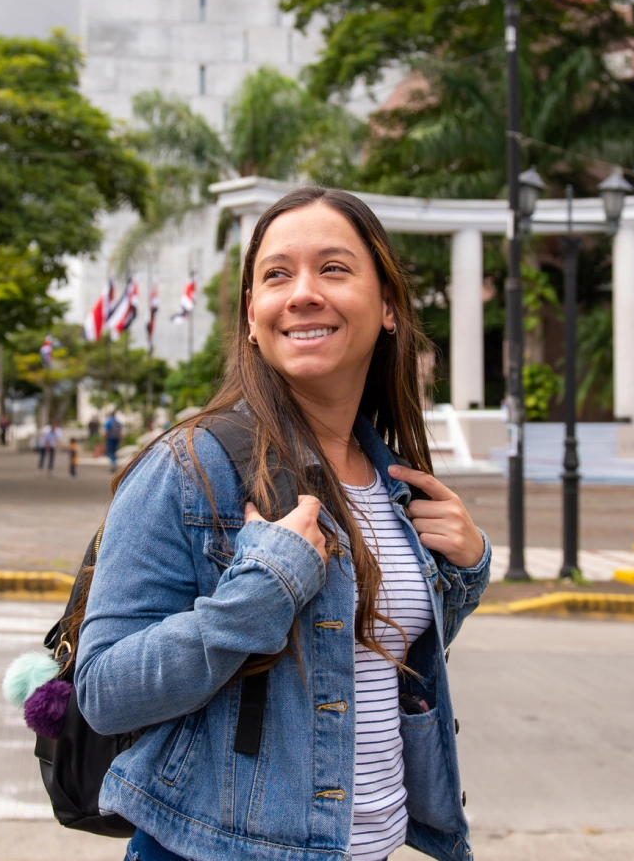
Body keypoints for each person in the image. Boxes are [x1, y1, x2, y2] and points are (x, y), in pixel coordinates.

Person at [74, 187, 491, 861]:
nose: (302, 293)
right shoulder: (189, 466)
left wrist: (465, 570)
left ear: (387, 306)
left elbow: (368, 657)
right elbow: (103, 691)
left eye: (333, 269)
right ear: (250, 316)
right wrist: (262, 590)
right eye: (276, 274)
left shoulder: (393, 482)